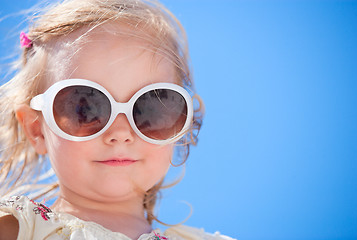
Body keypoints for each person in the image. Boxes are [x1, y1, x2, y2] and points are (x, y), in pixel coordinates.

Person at [0, 0, 235, 239]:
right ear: (37, 129)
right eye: (85, 108)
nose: (120, 132)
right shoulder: (16, 230)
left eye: (151, 107)